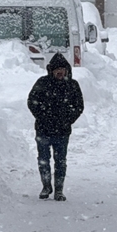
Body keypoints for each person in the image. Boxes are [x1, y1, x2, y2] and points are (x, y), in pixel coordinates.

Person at [28, 53, 84, 202]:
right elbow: (32, 101)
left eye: (62, 69)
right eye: (56, 69)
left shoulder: (73, 85)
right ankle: (46, 186)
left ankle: (59, 190)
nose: (59, 72)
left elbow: (79, 106)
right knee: (43, 160)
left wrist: (67, 120)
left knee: (60, 161)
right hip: (43, 130)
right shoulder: (42, 83)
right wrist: (42, 116)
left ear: (67, 70)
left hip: (63, 131)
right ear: (51, 70)